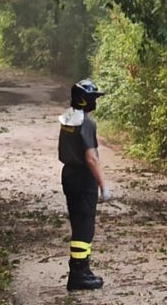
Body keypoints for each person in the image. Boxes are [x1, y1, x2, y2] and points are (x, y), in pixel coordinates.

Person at [57, 79, 113, 291]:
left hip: (69, 175)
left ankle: (84, 270)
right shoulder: (86, 123)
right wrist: (102, 185)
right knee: (84, 227)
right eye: (93, 97)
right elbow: (91, 158)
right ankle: (78, 275)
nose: (95, 101)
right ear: (85, 100)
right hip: (83, 177)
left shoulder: (68, 117)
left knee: (78, 222)